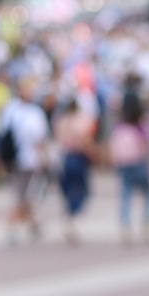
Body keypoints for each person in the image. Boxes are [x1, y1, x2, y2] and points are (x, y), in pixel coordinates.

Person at [0, 76, 51, 244]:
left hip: (21, 159)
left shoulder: (12, 110)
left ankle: (33, 224)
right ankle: (13, 226)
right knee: (22, 196)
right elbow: (39, 139)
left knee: (25, 195)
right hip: (25, 159)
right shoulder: (31, 113)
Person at [53, 99, 97, 244]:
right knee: (81, 190)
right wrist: (91, 154)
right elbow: (85, 140)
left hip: (64, 158)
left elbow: (57, 139)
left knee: (68, 189)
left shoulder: (61, 121)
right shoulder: (80, 121)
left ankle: (69, 216)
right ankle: (73, 217)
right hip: (77, 158)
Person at [109, 103, 149, 245]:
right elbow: (146, 146)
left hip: (124, 165)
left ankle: (125, 227)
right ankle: (147, 225)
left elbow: (113, 145)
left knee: (125, 196)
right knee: (148, 194)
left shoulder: (119, 126)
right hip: (138, 163)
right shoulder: (141, 126)